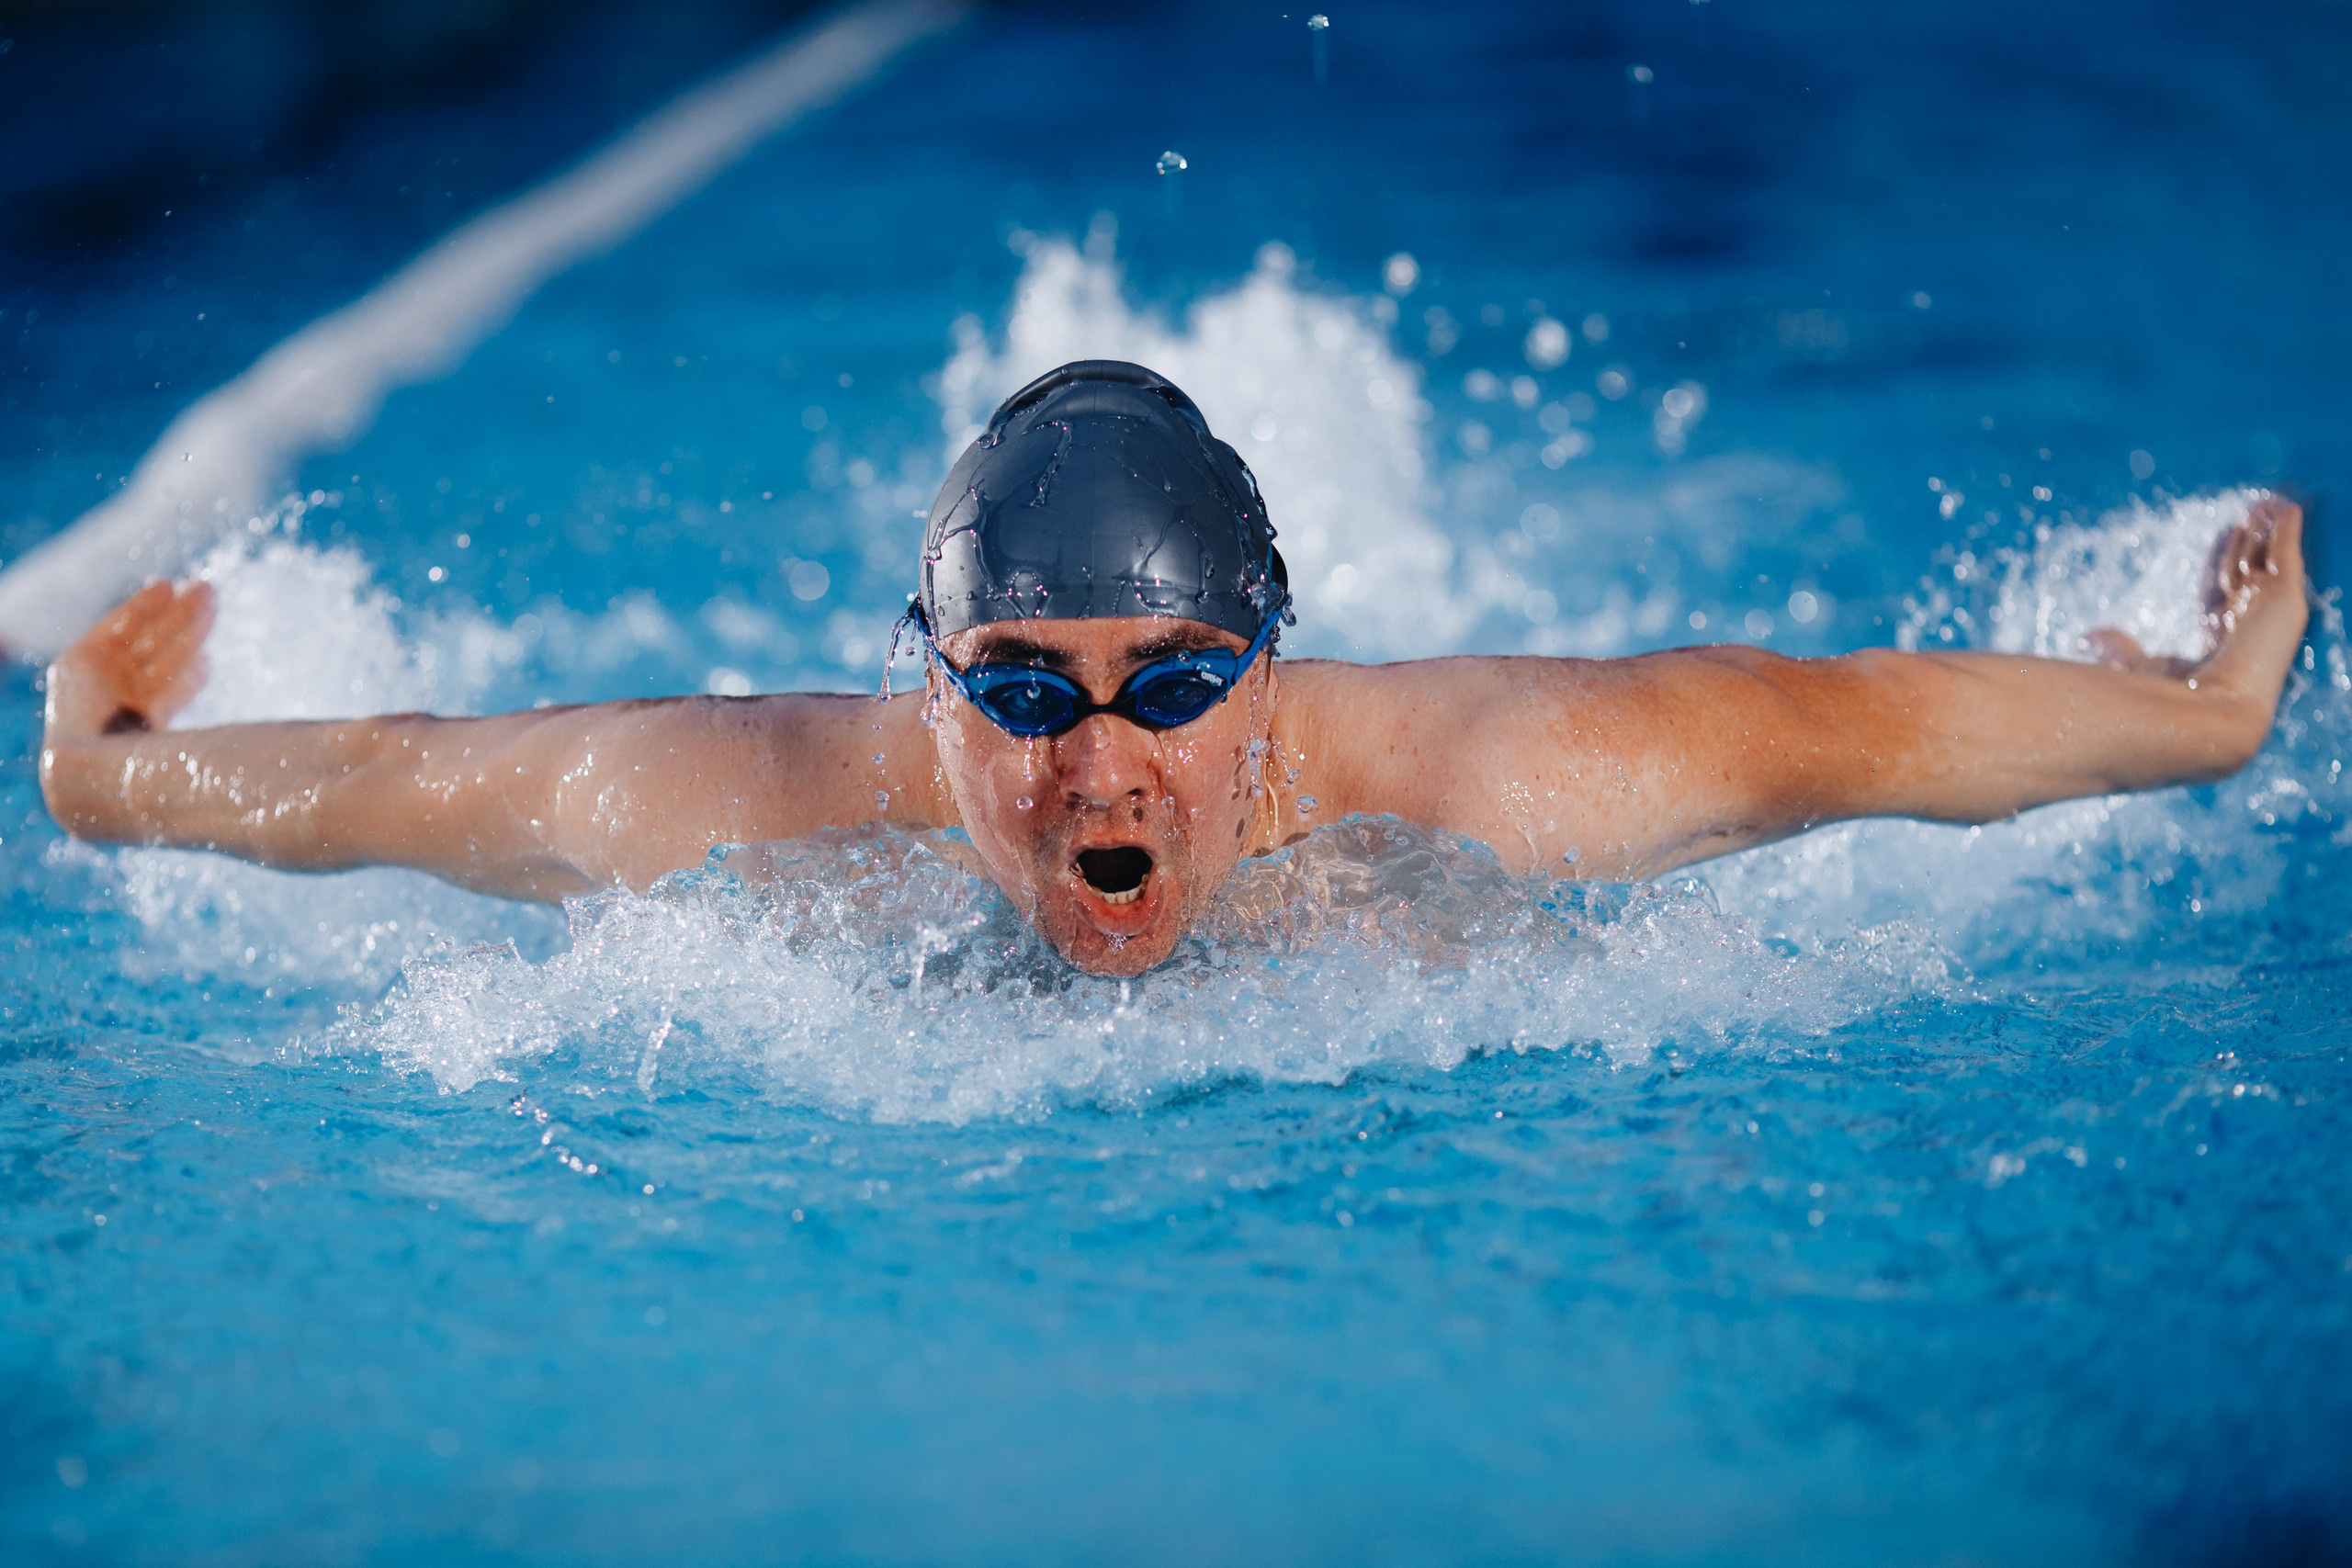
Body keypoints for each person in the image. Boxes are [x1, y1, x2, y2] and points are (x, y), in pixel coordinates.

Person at [40, 360, 2308, 977]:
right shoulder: (740, 804)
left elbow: (1864, 728)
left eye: (1171, 682)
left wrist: (2191, 711)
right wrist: (102, 749)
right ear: (932, 686)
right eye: (1024, 690)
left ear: (1266, 672)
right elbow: (397, 773)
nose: (1099, 760)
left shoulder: (1496, 778)